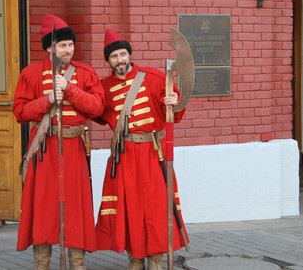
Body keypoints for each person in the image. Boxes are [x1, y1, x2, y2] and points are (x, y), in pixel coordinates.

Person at [13, 15, 105, 270]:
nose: (68, 49)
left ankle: (77, 264)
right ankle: (41, 265)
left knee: (74, 208)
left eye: (70, 45)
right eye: (62, 45)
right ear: (48, 48)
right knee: (43, 208)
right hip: (44, 149)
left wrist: (70, 90)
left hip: (74, 149)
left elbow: (97, 108)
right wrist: (47, 100)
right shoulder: (31, 73)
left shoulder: (86, 74)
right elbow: (19, 112)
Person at [94, 29, 189, 270]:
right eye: (114, 56)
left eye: (123, 54)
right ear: (108, 61)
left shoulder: (155, 77)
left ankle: (155, 260)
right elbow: (94, 111)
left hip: (153, 154)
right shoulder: (102, 87)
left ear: (129, 54)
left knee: (157, 209)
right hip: (124, 156)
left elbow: (175, 114)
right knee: (130, 209)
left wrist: (174, 104)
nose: (120, 60)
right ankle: (135, 259)